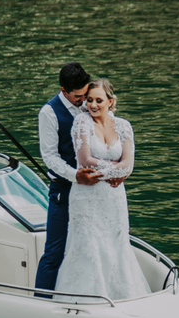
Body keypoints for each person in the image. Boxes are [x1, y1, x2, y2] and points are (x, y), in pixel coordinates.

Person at [53, 78, 152, 301]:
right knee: (88, 244)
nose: (93, 105)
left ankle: (121, 297)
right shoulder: (81, 122)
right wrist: (116, 172)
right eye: (89, 100)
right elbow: (85, 160)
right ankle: (85, 299)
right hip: (87, 196)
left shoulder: (124, 126)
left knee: (116, 242)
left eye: (99, 100)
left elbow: (129, 165)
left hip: (113, 197)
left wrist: (117, 172)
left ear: (110, 101)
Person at [35, 62, 103, 296]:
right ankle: (40, 302)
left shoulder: (88, 105)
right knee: (54, 251)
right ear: (63, 90)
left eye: (86, 94)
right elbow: (50, 157)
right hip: (63, 188)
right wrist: (75, 175)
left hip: (93, 189)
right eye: (78, 96)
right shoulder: (49, 113)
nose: (84, 100)